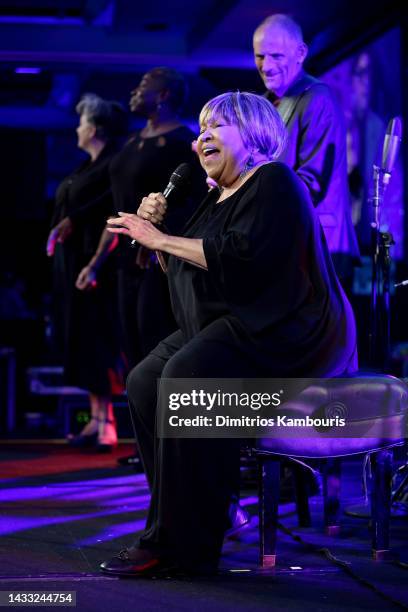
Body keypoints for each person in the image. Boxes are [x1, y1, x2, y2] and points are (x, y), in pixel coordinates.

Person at [100, 91, 357, 577]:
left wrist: (161, 240)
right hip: (234, 322)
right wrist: (157, 237)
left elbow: (243, 260)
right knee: (142, 380)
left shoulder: (275, 181)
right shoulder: (214, 198)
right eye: (200, 130)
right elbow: (193, 273)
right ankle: (194, 516)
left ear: (255, 131)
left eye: (216, 126)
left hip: (284, 330)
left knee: (184, 374)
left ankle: (182, 546)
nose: (202, 138)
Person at [75, 67, 205, 467]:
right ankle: (145, 444)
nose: (134, 91)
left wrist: (160, 243)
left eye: (143, 86)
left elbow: (193, 207)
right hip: (122, 263)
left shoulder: (184, 143)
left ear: (163, 95)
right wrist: (96, 261)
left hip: (157, 262)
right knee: (132, 353)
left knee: (156, 349)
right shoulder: (131, 142)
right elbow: (119, 212)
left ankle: (173, 445)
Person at [253, 14, 360, 284]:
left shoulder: (317, 98)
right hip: (288, 241)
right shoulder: (266, 103)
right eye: (260, 56)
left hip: (319, 245)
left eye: (276, 56)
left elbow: (311, 182)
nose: (266, 66)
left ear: (301, 53)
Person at [47, 94, 127, 451]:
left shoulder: (111, 165)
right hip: (72, 264)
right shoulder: (85, 166)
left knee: (97, 339)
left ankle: (106, 423)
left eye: (81, 124)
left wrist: (94, 263)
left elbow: (111, 215)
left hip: (95, 265)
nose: (77, 129)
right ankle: (95, 419)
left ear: (93, 129)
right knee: (81, 339)